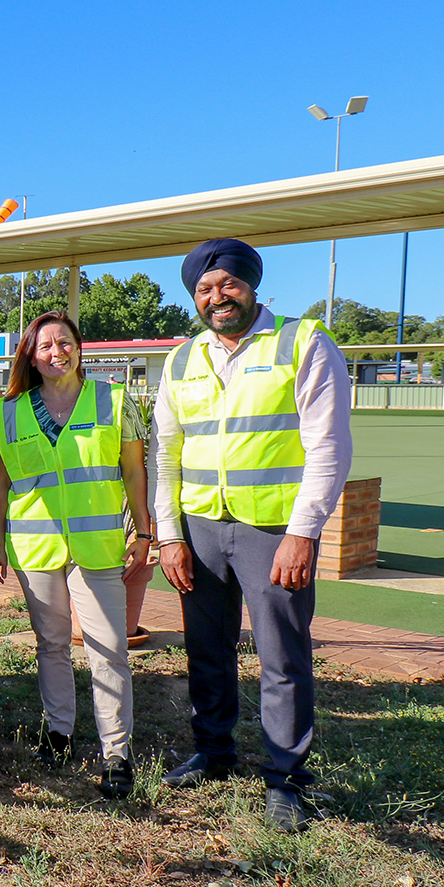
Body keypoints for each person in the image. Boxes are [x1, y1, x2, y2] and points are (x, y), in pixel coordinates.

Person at [155, 239, 351, 832]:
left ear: (251, 286)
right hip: (202, 528)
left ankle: (286, 778)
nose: (218, 298)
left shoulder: (303, 342)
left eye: (228, 285)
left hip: (273, 530)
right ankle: (214, 754)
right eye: (205, 290)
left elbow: (329, 446)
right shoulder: (182, 359)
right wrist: (169, 534)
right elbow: (166, 451)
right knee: (205, 650)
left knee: (281, 656)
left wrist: (303, 532)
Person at [0, 311, 152, 799]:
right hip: (35, 546)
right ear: (31, 358)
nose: (56, 352)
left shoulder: (114, 400)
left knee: (108, 649)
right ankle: (58, 733)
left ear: (79, 347)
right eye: (45, 346)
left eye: (65, 342)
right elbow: (5, 482)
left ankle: (117, 753)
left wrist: (144, 532)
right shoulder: (11, 410)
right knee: (52, 643)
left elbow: (135, 472)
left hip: (97, 546)